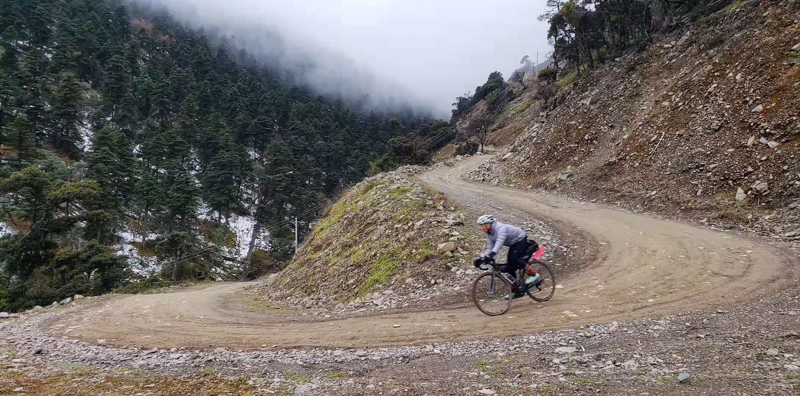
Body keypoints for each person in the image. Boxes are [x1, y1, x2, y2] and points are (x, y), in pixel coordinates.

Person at [473, 215, 541, 295]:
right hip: (513, 244)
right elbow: (490, 248)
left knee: (515, 259)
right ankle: (517, 289)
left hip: (520, 239)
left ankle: (533, 274)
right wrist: (483, 258)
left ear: (488, 224)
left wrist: (492, 254)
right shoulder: (490, 234)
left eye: (482, 225)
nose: (481, 228)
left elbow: (499, 242)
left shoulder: (501, 228)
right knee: (510, 266)